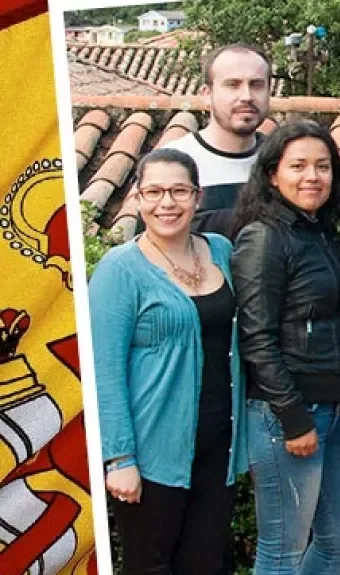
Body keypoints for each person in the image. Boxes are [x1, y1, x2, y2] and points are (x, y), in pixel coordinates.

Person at [89, 148, 247, 574]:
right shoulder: (120, 269)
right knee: (150, 565)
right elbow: (104, 371)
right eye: (154, 191)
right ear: (137, 198)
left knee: (207, 563)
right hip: (152, 450)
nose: (167, 203)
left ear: (197, 197)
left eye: (179, 191)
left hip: (219, 445)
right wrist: (119, 459)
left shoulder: (221, 251)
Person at [231, 120, 340, 575]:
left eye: (323, 167)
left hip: (330, 407)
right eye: (299, 166)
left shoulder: (322, 233)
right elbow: (257, 337)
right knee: (282, 549)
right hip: (285, 413)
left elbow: (339, 321)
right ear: (272, 175)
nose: (313, 176)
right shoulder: (263, 237)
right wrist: (292, 417)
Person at [114, 43, 273, 241]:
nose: (247, 96)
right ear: (207, 95)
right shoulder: (170, 166)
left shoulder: (284, 163)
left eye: (257, 85)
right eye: (232, 85)